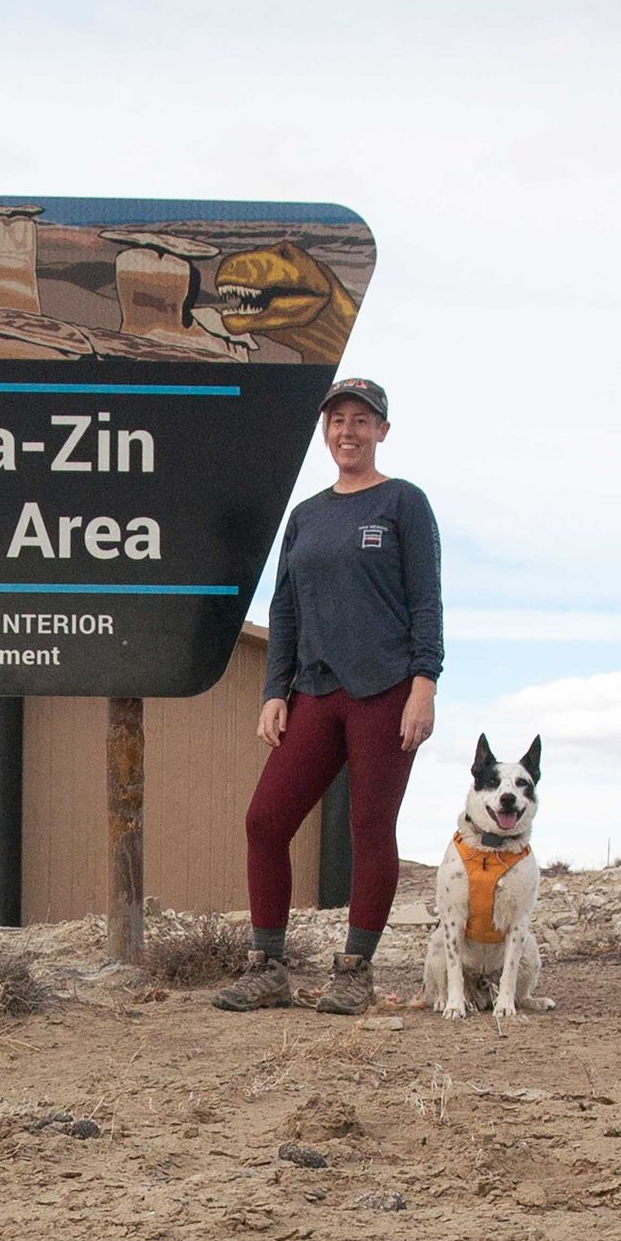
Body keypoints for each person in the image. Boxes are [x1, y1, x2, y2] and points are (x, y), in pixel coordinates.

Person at [212, 377, 442, 1015]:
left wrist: (425, 684)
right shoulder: (305, 516)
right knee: (266, 821)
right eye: (338, 420)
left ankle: (354, 970)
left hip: (387, 690)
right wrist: (273, 690)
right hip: (314, 689)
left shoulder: (403, 504)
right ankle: (268, 967)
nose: (348, 431)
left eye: (362, 421)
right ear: (325, 431)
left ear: (382, 432)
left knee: (369, 826)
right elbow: (283, 608)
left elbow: (427, 599)